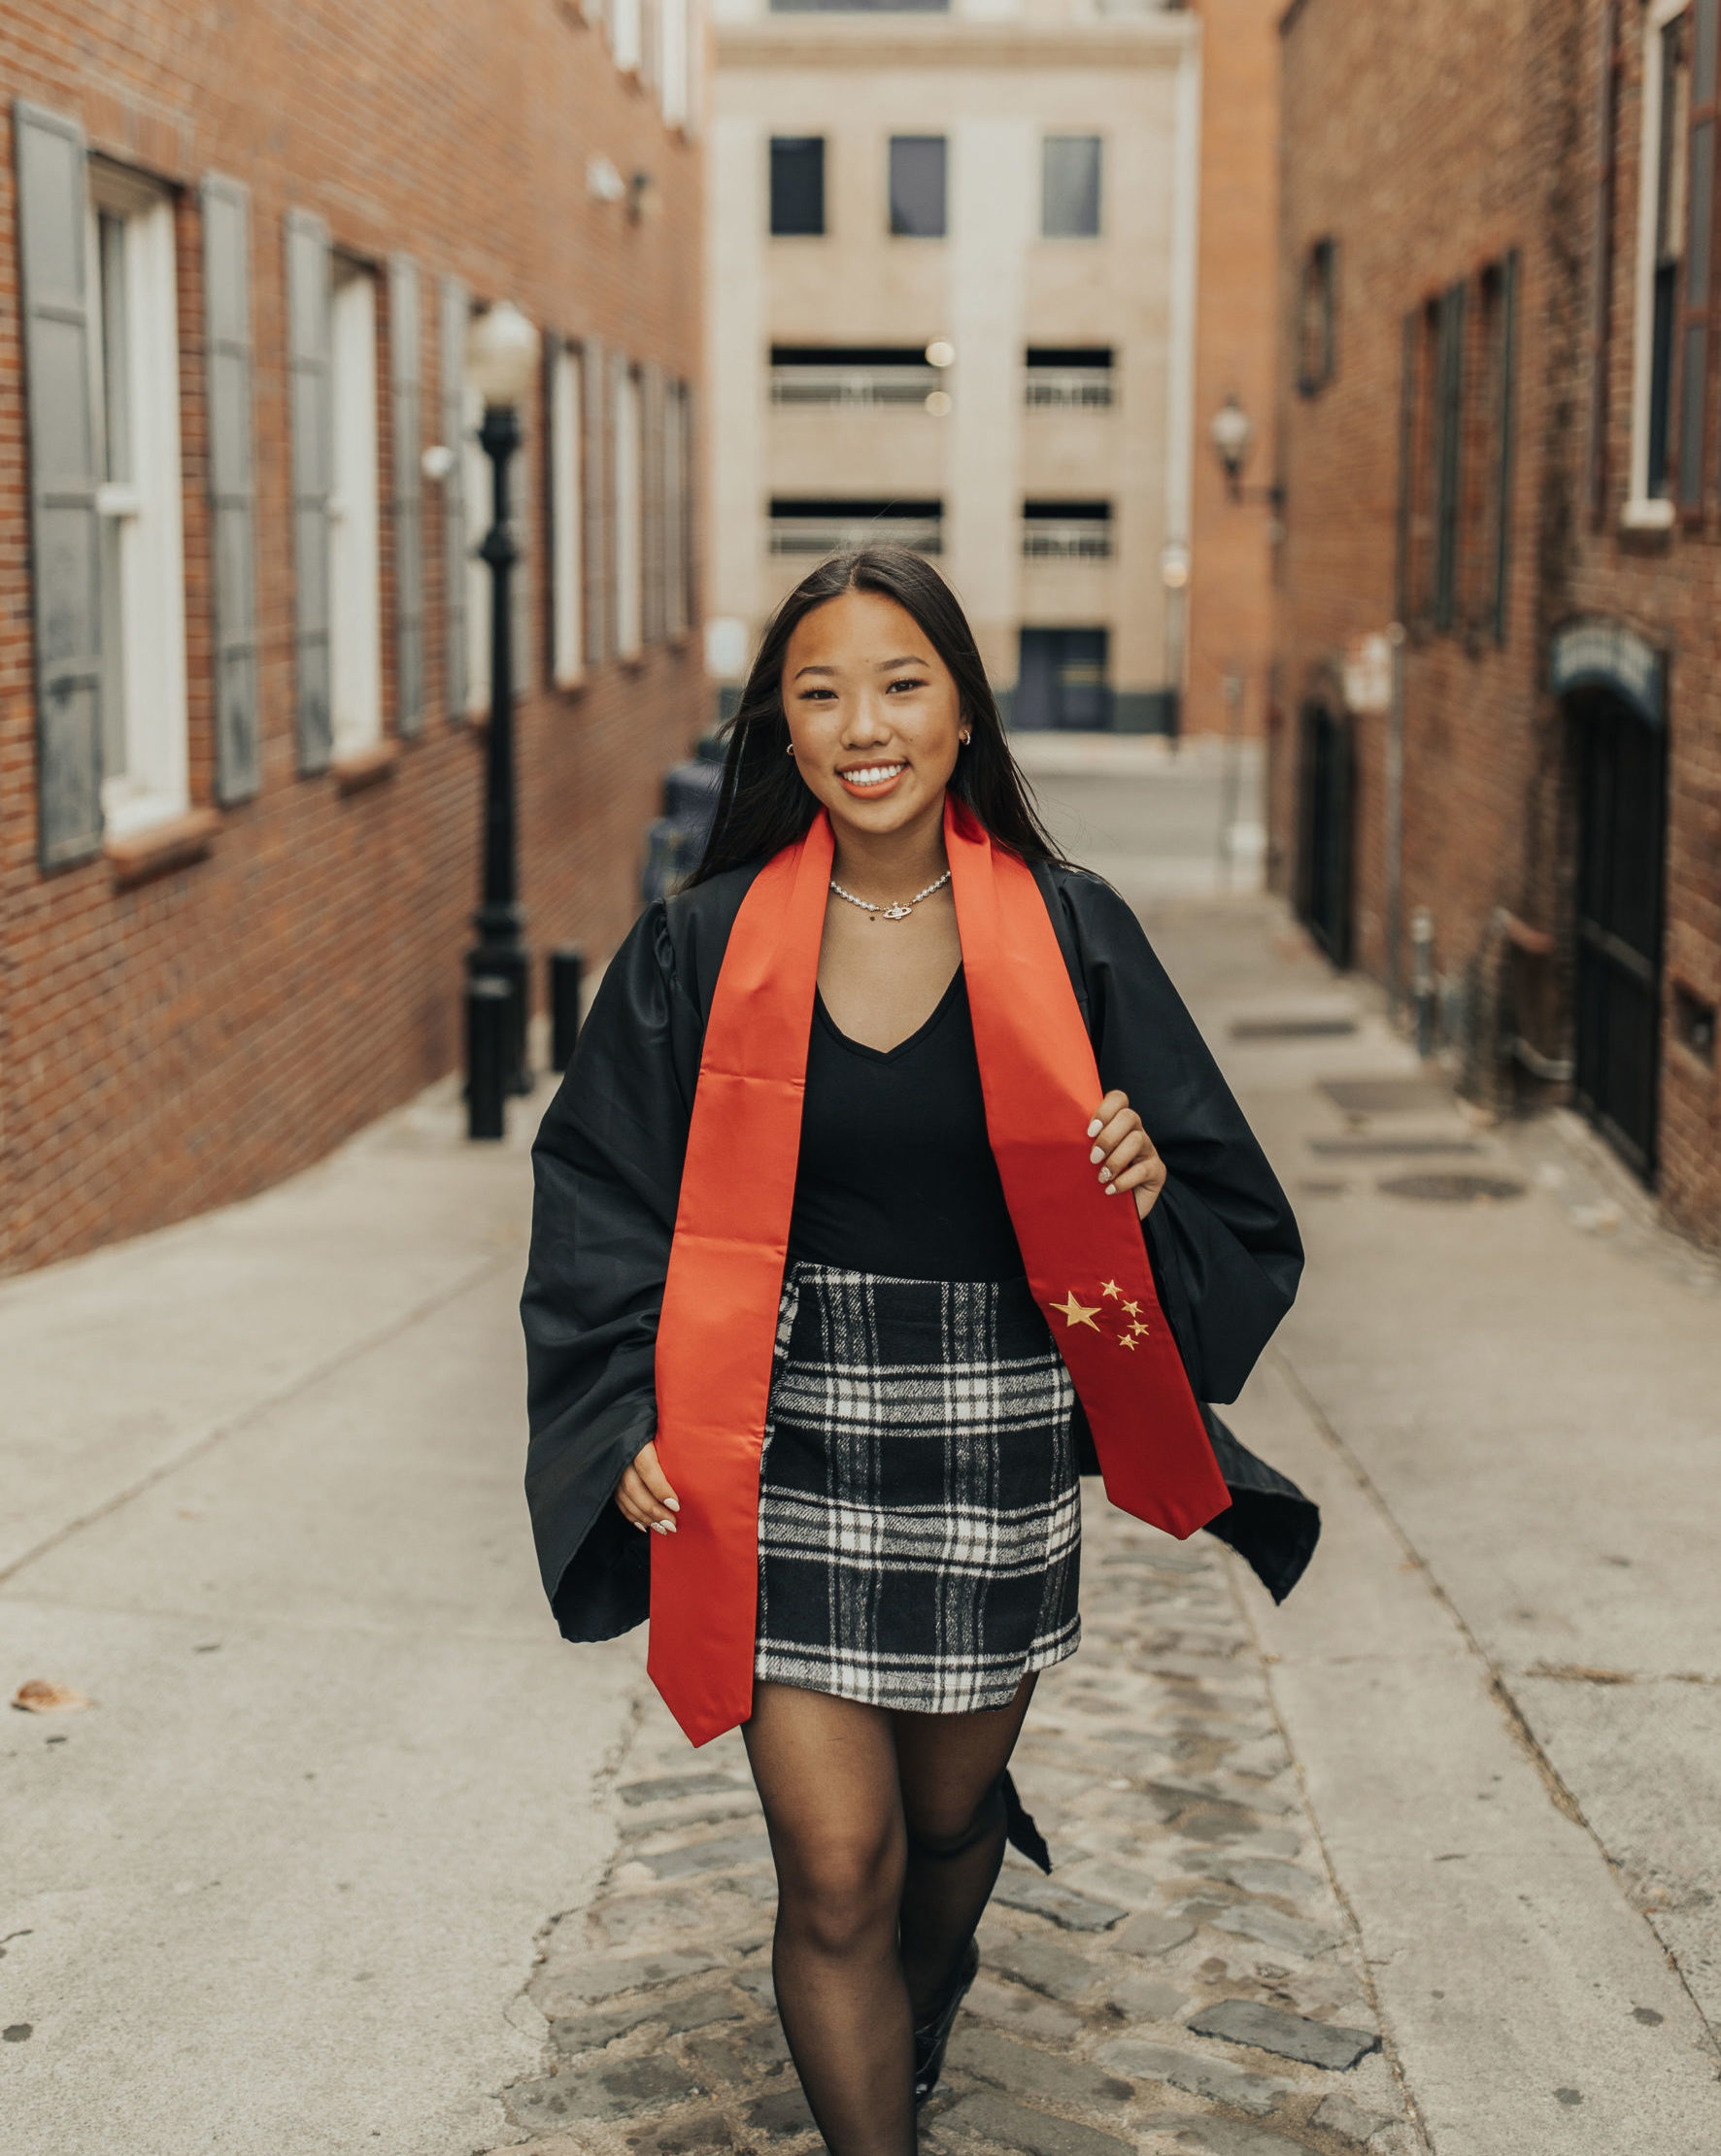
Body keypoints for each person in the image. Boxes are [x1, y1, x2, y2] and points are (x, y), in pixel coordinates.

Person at [522, 549, 1316, 2154]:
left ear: (962, 712)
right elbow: (598, 1192)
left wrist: (1145, 1187)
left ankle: (924, 1990)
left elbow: (1227, 1208)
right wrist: (621, 1423)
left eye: (901, 684)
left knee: (941, 1831)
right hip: (776, 1426)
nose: (862, 724)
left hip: (995, 1425)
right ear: (783, 731)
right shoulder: (698, 944)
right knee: (833, 1869)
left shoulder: (1074, 931)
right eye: (820, 692)